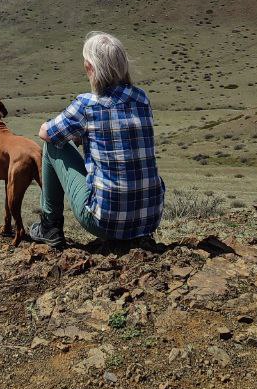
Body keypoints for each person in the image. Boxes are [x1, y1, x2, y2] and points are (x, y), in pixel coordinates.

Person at [29, 31, 165, 248]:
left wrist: (74, 132)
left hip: (105, 223)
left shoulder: (87, 105)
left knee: (52, 144)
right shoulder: (141, 98)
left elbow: (46, 133)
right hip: (148, 220)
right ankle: (136, 236)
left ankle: (49, 226)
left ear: (90, 68)